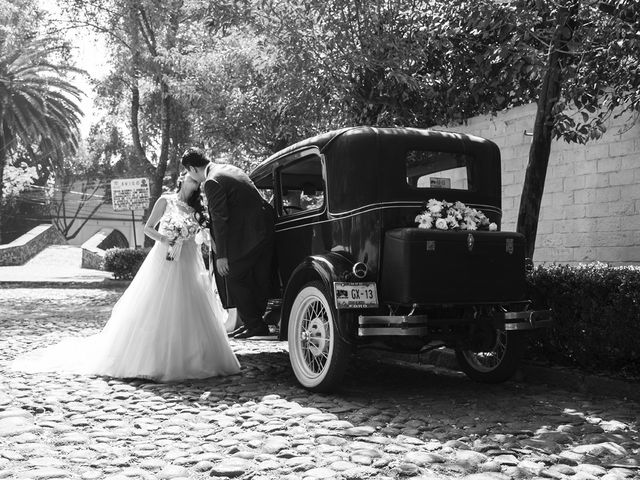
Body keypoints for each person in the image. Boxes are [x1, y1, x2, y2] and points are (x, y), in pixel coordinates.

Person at [11, 175, 241, 382]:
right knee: (157, 304)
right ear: (183, 179)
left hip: (189, 260)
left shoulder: (196, 210)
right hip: (165, 257)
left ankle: (196, 358)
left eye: (198, 180)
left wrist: (201, 241)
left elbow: (205, 234)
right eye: (193, 178)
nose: (196, 181)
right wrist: (166, 239)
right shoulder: (165, 201)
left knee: (191, 306)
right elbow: (148, 229)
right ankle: (153, 358)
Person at [181, 147, 275, 339]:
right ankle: (253, 323)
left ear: (192, 168)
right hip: (264, 231)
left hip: (249, 236)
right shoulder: (230, 169)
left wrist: (222, 255)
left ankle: (256, 325)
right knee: (254, 278)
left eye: (188, 172)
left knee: (232, 276)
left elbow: (220, 219)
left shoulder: (212, 181)